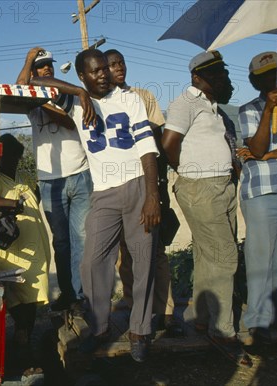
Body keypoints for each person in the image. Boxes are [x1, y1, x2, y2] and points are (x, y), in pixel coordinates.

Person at [30, 48, 160, 362]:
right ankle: (100, 327)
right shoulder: (75, 102)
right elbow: (34, 82)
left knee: (143, 260)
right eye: (95, 70)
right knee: (91, 262)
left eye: (105, 68)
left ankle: (140, 330)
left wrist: (153, 196)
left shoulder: (129, 99)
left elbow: (146, 148)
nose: (103, 74)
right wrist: (77, 93)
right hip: (103, 191)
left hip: (138, 185)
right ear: (82, 76)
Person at [162, 51, 251, 366]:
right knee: (225, 257)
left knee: (207, 254)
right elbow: (169, 143)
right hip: (201, 187)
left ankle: (200, 317)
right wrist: (188, 175)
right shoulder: (185, 104)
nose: (223, 79)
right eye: (216, 75)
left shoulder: (213, 108)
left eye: (224, 74)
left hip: (222, 185)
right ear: (197, 78)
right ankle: (223, 330)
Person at [104, 49, 182, 336]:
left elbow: (157, 136)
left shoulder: (143, 96)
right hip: (119, 184)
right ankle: (137, 309)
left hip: (149, 183)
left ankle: (166, 311)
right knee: (127, 254)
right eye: (111, 65)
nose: (118, 68)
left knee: (156, 250)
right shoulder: (100, 102)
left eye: (121, 63)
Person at [16, 48, 92, 312]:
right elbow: (19, 87)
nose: (47, 69)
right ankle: (68, 293)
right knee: (61, 241)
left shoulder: (65, 94)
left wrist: (45, 104)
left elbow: (69, 123)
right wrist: (27, 61)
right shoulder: (30, 99)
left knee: (81, 238)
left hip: (80, 174)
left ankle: (81, 296)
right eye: (41, 66)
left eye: (49, 64)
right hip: (50, 181)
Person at [237, 51, 277, 341]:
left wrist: (269, 155)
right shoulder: (248, 110)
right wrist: (267, 112)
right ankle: (258, 320)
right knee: (260, 258)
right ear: (256, 80)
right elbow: (257, 147)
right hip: (261, 191)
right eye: (270, 74)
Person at [0, 133, 51, 348]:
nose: (12, 162)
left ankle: (25, 337)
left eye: (16, 158)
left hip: (36, 243)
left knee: (35, 291)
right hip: (14, 248)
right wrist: (12, 205)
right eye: (8, 157)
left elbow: (37, 196)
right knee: (17, 293)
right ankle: (21, 337)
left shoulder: (24, 176)